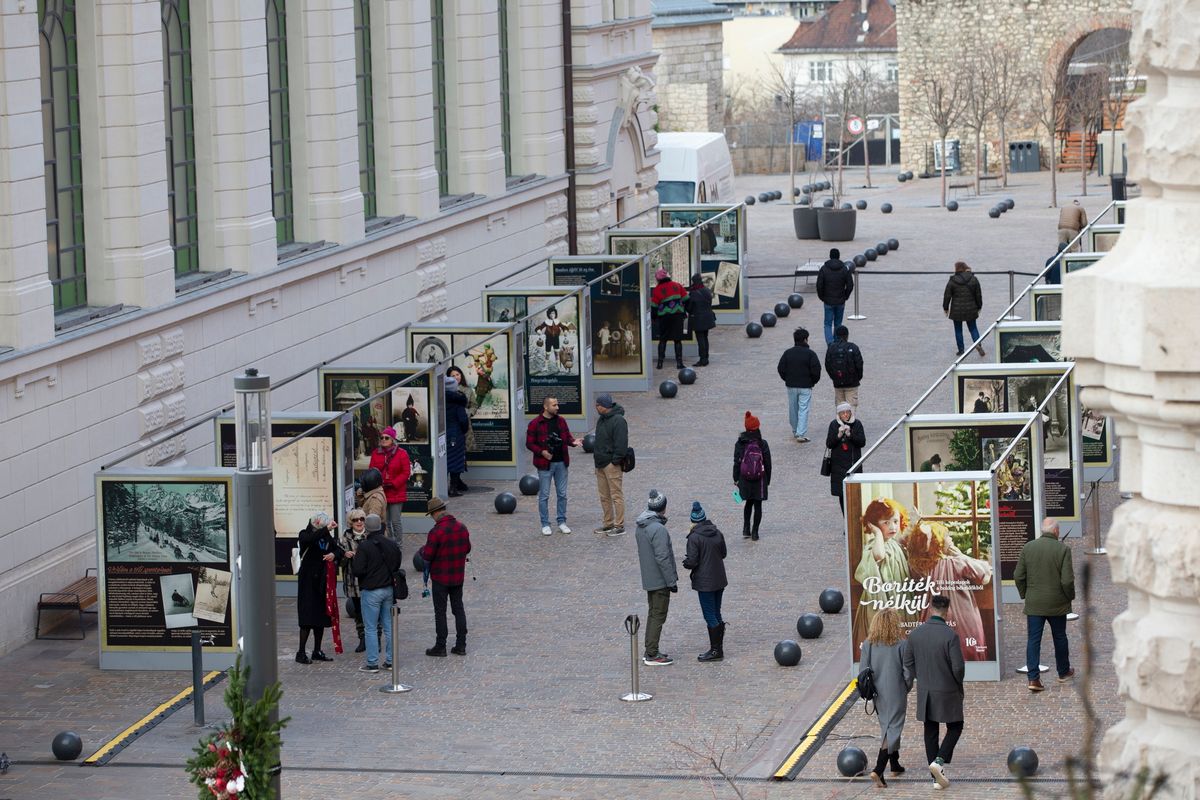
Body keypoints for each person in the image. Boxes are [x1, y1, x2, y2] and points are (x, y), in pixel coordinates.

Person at [906, 521, 993, 662]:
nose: (950, 539)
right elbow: (984, 575)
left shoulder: (918, 567)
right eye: (947, 536)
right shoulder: (955, 562)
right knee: (964, 650)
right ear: (938, 543)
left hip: (932, 618)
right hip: (963, 619)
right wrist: (958, 553)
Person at [903, 594, 965, 790]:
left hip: (926, 691)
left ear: (930, 609)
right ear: (947, 611)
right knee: (955, 726)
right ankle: (939, 761)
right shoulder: (950, 636)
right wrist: (957, 683)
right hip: (947, 689)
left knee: (930, 731)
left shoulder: (915, 635)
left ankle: (935, 778)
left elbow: (908, 664)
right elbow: (958, 668)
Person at [1014, 517, 1076, 692]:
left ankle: (1033, 678)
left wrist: (1025, 594)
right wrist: (1069, 597)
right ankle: (1063, 672)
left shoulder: (1028, 547)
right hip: (1057, 603)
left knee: (1034, 640)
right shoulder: (1063, 549)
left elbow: (1018, 575)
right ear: (1056, 531)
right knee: (1060, 637)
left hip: (1034, 603)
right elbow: (1067, 580)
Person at [862, 608, 913, 787]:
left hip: (877, 692)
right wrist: (906, 687)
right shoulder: (902, 644)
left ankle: (895, 763)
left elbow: (863, 671)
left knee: (887, 724)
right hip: (896, 691)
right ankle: (879, 768)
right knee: (893, 727)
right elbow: (907, 672)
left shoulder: (868, 644)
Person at [418, 497, 471, 656]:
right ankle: (461, 644)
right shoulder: (461, 527)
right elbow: (467, 548)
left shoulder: (436, 532)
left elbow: (427, 555)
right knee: (458, 609)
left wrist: (422, 550)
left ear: (435, 513)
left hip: (440, 577)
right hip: (457, 576)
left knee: (440, 612)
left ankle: (441, 646)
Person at [350, 513, 401, 672]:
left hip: (371, 591)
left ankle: (372, 663)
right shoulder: (391, 543)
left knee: (370, 628)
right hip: (388, 590)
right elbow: (397, 563)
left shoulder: (365, 546)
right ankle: (391, 661)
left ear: (367, 527)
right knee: (389, 626)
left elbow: (357, 570)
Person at [525, 396, 582, 536]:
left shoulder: (561, 421)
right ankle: (545, 523)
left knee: (562, 494)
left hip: (561, 462)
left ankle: (561, 521)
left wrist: (573, 442)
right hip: (545, 465)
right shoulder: (535, 423)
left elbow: (567, 438)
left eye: (557, 404)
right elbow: (529, 443)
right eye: (554, 405)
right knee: (544, 495)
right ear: (546, 407)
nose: (557, 407)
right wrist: (542, 452)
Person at [635, 489, 679, 666]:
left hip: (649, 579)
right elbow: (663, 557)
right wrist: (671, 581)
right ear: (663, 507)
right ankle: (652, 653)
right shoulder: (658, 529)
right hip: (660, 581)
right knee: (658, 616)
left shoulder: (642, 526)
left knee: (654, 614)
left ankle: (650, 649)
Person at [295, 512, 344, 664]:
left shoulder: (326, 536)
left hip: (323, 582)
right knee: (307, 617)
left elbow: (339, 550)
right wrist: (326, 529)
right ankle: (301, 652)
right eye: (321, 527)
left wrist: (333, 555)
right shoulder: (305, 534)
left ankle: (317, 650)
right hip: (308, 582)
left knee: (321, 617)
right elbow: (309, 540)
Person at [681, 501, 728, 662]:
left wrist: (685, 562)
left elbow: (692, 561)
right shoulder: (717, 532)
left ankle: (715, 651)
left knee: (709, 615)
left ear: (693, 521)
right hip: (719, 579)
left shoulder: (694, 538)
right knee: (716, 612)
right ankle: (718, 648)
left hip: (705, 582)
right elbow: (723, 553)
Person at [592, 393, 629, 536]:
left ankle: (619, 525)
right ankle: (608, 524)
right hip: (600, 463)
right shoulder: (602, 419)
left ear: (604, 406)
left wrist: (615, 461)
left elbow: (621, 444)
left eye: (598, 405)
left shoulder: (618, 420)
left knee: (616, 495)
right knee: (604, 496)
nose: (596, 407)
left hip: (611, 464)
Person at [776, 327, 822, 443]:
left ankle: (795, 430)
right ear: (806, 340)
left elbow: (781, 368)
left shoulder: (788, 353)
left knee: (793, 409)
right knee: (803, 409)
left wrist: (787, 379)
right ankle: (800, 433)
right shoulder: (811, 354)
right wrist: (813, 382)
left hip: (791, 386)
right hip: (805, 386)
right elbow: (816, 370)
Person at [733, 411, 772, 540]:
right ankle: (755, 532)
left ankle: (746, 528)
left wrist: (735, 478)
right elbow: (767, 463)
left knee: (748, 503)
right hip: (760, 479)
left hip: (745, 478)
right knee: (758, 505)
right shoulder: (762, 443)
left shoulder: (740, 443)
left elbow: (737, 462)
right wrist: (767, 480)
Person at [369, 427, 411, 538]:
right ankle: (389, 545)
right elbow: (371, 471)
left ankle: (398, 546)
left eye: (386, 437)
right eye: (381, 437)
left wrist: (393, 483)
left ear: (392, 439)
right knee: (385, 522)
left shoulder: (402, 454)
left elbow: (406, 472)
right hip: (381, 492)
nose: (383, 439)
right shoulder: (375, 453)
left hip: (396, 491)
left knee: (395, 522)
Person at [826, 402, 865, 515]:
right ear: (839, 414)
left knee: (855, 494)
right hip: (838, 467)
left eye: (847, 412)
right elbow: (829, 444)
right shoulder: (833, 425)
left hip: (853, 465)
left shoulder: (857, 424)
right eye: (843, 413)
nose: (845, 415)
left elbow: (862, 442)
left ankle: (854, 518)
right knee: (842, 495)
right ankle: (846, 520)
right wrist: (838, 436)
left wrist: (850, 435)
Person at [339, 509, 369, 653]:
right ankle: (362, 638)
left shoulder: (370, 535)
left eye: (362, 519)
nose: (359, 522)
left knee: (371, 609)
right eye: (356, 519)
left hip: (369, 580)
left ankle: (374, 638)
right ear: (351, 522)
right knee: (358, 611)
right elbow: (339, 560)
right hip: (352, 580)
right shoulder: (345, 536)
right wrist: (345, 555)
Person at [943, 261, 984, 358]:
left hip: (956, 310)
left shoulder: (952, 280)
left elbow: (947, 295)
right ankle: (978, 344)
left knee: (958, 330)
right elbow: (978, 295)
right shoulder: (973, 279)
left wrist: (945, 308)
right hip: (971, 309)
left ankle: (961, 350)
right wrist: (979, 306)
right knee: (973, 328)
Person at [650, 268, 688, 369]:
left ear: (658, 279)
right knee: (677, 340)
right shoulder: (677, 285)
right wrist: (684, 311)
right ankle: (679, 363)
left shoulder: (657, 289)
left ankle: (660, 363)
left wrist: (654, 318)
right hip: (678, 316)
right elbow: (686, 299)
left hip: (664, 317)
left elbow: (654, 306)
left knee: (663, 340)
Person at [816, 248, 855, 345]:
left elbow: (819, 285)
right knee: (838, 323)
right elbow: (850, 285)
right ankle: (837, 342)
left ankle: (830, 343)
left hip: (828, 301)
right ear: (839, 256)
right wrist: (845, 296)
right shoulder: (844, 268)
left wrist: (822, 297)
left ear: (830, 256)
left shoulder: (824, 269)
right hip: (840, 300)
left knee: (827, 324)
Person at [824, 325, 863, 413]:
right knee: (851, 408)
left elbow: (827, 365)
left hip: (838, 383)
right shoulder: (853, 347)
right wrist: (857, 378)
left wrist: (834, 377)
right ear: (847, 335)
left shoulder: (831, 348)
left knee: (840, 409)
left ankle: (841, 425)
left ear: (836, 335)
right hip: (852, 383)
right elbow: (859, 364)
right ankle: (850, 425)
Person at [444, 375, 471, 496]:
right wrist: (463, 431)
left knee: (444, 461)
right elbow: (463, 420)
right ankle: (453, 488)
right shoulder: (458, 401)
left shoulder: (440, 400)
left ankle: (440, 487)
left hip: (442, 434)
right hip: (455, 434)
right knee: (456, 460)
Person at [686, 273, 716, 367]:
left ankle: (703, 359)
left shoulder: (694, 293)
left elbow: (689, 308)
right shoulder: (707, 290)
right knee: (705, 337)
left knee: (700, 339)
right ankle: (706, 357)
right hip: (707, 317)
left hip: (698, 319)